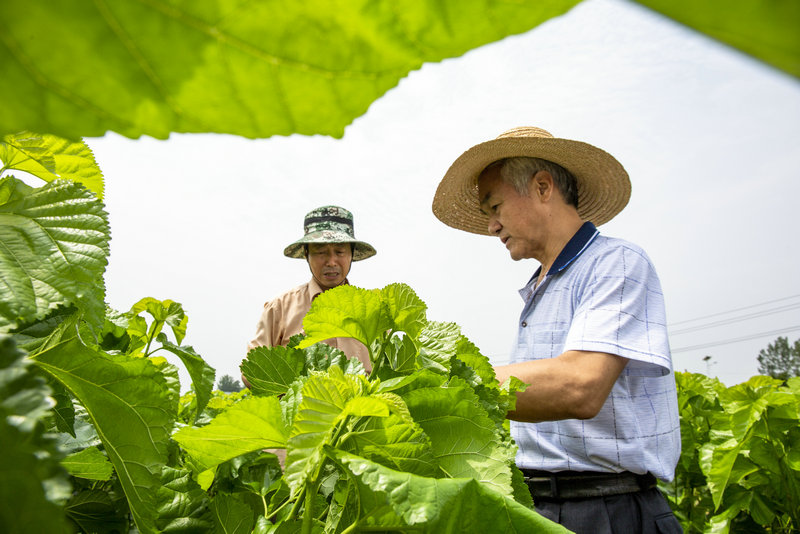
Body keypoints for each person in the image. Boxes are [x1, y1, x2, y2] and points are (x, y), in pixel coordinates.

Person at [431, 127, 682, 533]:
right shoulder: (538, 290)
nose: (492, 226)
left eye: (494, 206)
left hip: (609, 508)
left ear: (543, 187)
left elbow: (580, 386)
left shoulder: (615, 262)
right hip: (542, 507)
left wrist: (442, 383)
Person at [246, 205, 376, 373]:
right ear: (306, 254)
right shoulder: (280, 308)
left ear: (352, 254)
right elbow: (252, 369)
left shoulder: (373, 310)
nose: (331, 261)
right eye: (321, 252)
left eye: (340, 252)